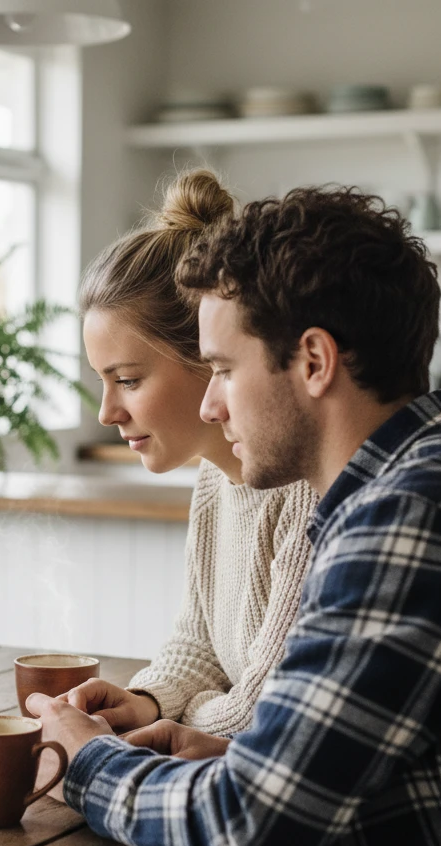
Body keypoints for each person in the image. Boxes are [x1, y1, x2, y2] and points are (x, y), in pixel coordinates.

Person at [30, 186, 441, 846]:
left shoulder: (405, 523)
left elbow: (251, 836)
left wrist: (89, 761)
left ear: (313, 361)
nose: (209, 404)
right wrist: (219, 748)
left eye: (225, 370)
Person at [77, 168, 316, 738]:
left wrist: (193, 717)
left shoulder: (310, 488)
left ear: (206, 356)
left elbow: (262, 713)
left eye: (128, 380)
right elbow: (199, 640)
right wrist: (145, 702)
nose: (106, 413)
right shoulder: (215, 477)